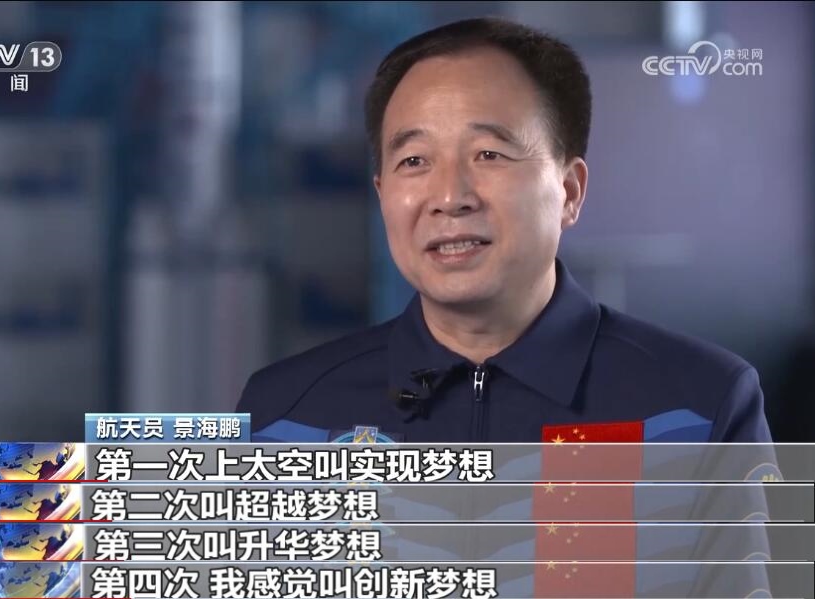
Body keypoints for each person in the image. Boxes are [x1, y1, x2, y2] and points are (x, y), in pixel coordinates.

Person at [236, 17, 773, 447]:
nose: (450, 197)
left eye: (489, 154)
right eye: (415, 160)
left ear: (569, 191)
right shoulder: (284, 416)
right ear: (382, 194)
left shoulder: (700, 409)